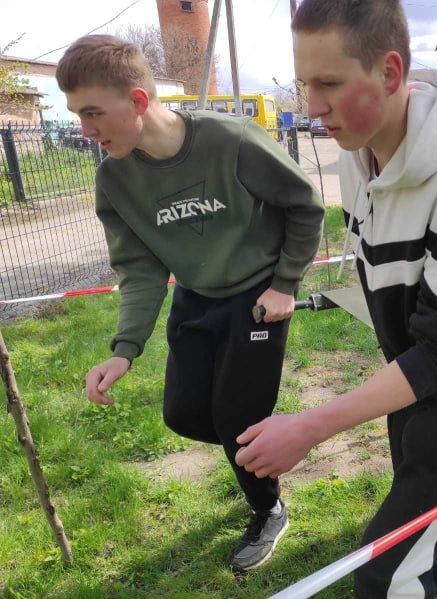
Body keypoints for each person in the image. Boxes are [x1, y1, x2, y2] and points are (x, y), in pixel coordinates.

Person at [234, 1, 437, 596]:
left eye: (329, 83)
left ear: (390, 72)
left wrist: (310, 426)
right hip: (415, 378)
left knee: (385, 572)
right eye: (305, 84)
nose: (312, 107)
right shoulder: (359, 152)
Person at [56, 35, 324, 571]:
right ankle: (253, 449)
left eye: (92, 113)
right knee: (183, 415)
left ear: (135, 101)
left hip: (258, 300)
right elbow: (139, 269)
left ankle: (267, 507)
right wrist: (124, 349)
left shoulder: (231, 140)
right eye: (77, 115)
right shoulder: (114, 178)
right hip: (197, 297)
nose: (85, 130)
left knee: (235, 417)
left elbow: (306, 205)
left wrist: (286, 284)